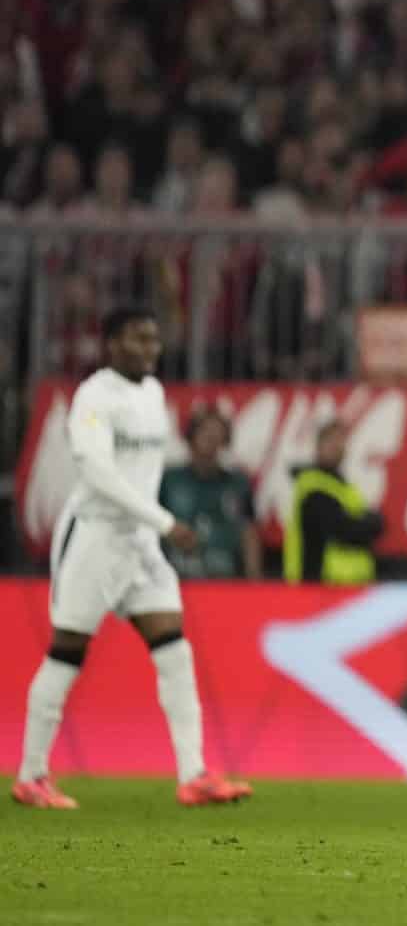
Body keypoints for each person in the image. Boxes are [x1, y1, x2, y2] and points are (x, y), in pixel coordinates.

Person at [13, 309, 253, 809]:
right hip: (96, 536)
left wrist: (153, 526)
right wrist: (166, 521)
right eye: (138, 340)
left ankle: (194, 775)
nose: (150, 349)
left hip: (139, 542)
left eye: (154, 340)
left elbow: (140, 470)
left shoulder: (152, 394)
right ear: (111, 344)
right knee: (67, 653)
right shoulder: (94, 398)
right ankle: (31, 775)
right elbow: (98, 473)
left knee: (174, 650)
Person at [159, 407, 263, 581]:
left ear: (225, 441)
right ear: (191, 436)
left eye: (218, 433)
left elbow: (249, 531)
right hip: (175, 578)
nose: (211, 438)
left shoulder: (238, 484)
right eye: (205, 431)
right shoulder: (169, 480)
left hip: (225, 578)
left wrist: (254, 577)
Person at [283, 418, 382, 585]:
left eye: (341, 440)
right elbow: (344, 529)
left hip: (349, 584)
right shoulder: (314, 487)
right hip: (321, 583)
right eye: (331, 440)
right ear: (318, 446)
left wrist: (369, 523)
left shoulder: (344, 488)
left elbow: (365, 523)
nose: (337, 446)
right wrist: (370, 524)